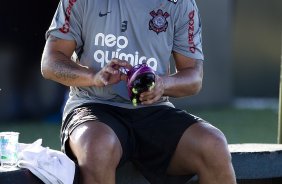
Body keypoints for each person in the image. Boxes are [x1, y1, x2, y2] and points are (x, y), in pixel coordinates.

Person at [41, 0, 237, 183]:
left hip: (153, 109)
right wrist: (94, 77)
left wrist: (162, 84)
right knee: (97, 147)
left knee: (214, 146)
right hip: (93, 105)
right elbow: (50, 62)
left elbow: (194, 78)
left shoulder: (181, 3)